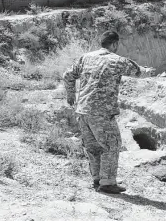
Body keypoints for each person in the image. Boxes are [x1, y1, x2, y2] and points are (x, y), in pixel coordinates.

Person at [63, 31, 157, 194]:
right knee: (112, 144)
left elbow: (68, 75)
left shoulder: (86, 57)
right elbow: (139, 72)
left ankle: (98, 179)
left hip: (82, 111)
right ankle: (107, 182)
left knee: (93, 147)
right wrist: (150, 71)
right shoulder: (117, 60)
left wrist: (70, 94)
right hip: (101, 113)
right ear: (114, 44)